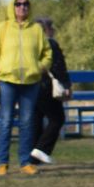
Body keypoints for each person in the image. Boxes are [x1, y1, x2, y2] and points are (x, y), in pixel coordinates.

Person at [0, 0, 49, 177]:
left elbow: (47, 52)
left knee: (27, 123)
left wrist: (41, 67)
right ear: (12, 7)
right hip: (7, 81)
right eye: (18, 4)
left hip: (30, 82)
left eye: (26, 4)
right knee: (5, 122)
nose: (22, 7)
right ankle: (2, 163)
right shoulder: (2, 28)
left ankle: (25, 162)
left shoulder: (36, 30)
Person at [29, 16, 71, 166]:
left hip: (31, 86)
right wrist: (66, 85)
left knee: (35, 121)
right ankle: (41, 149)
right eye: (51, 28)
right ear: (47, 30)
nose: (53, 30)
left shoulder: (30, 45)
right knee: (57, 118)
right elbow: (59, 66)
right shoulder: (51, 44)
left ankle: (32, 158)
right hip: (47, 87)